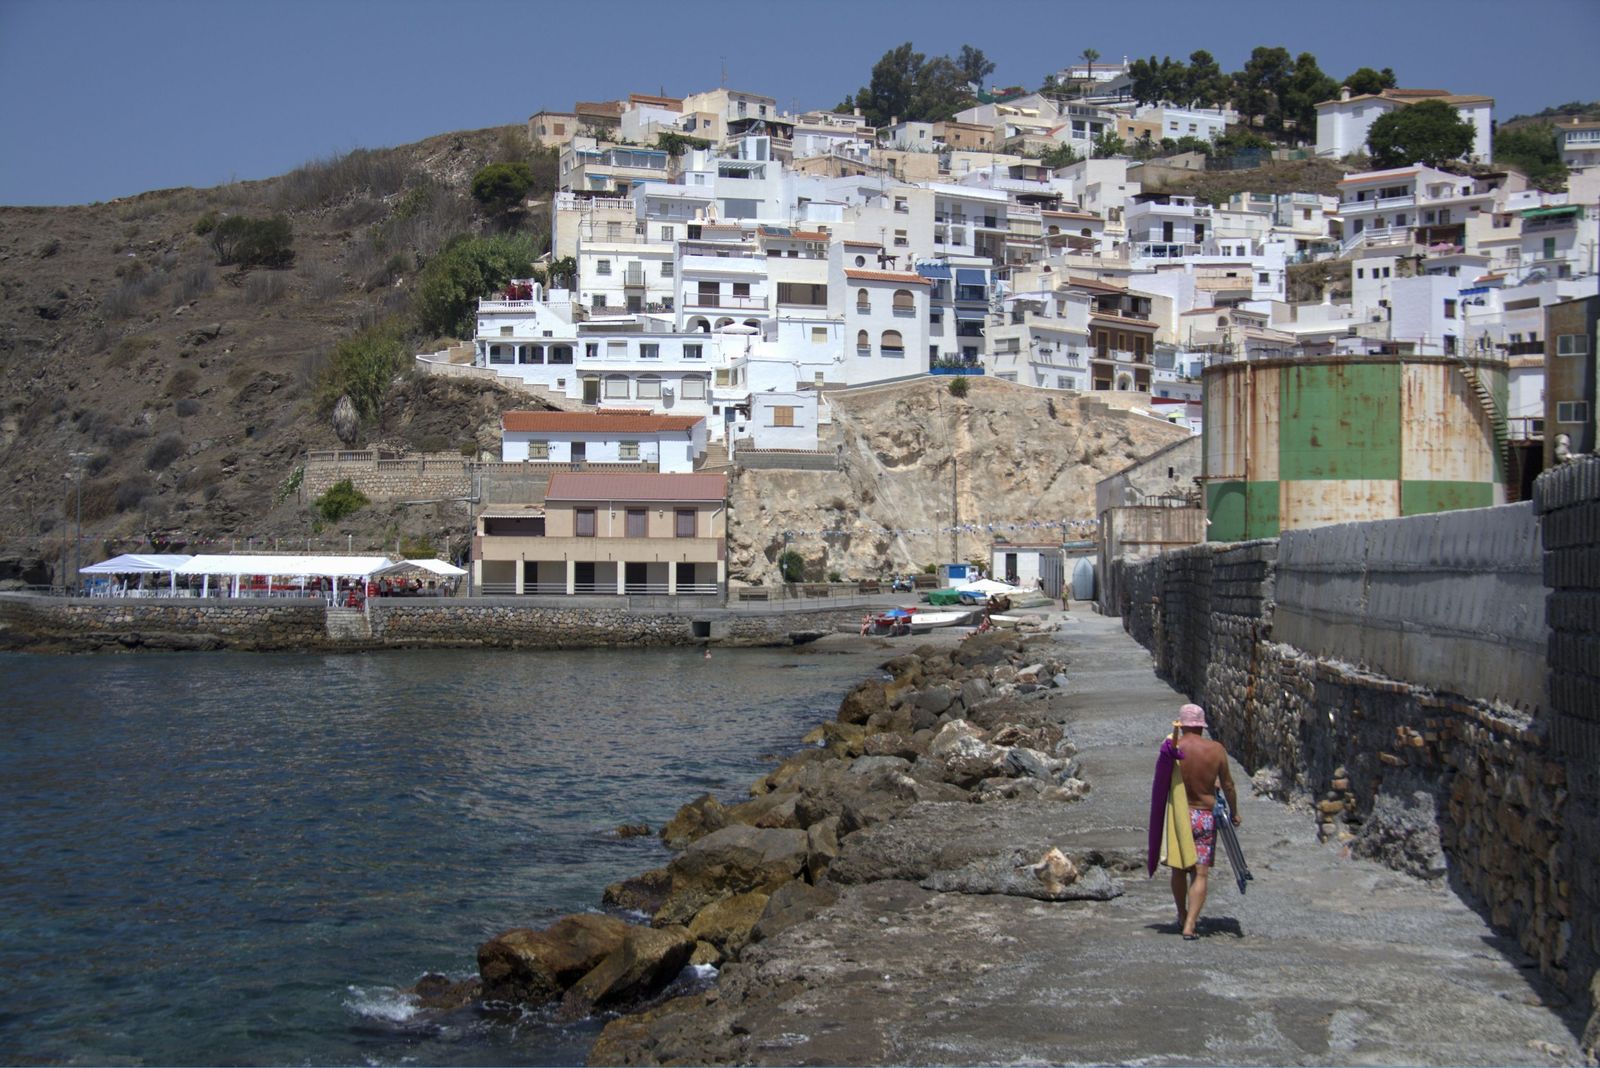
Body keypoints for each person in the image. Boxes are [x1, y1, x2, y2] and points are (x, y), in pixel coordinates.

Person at [1169, 703, 1239, 940]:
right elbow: (1228, 785)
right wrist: (1235, 811)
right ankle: (1190, 925)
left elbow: (1164, 783)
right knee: (1200, 873)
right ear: (1201, 726)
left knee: (1178, 869)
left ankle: (1181, 913)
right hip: (1204, 815)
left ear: (1181, 724)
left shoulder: (1172, 747)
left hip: (1180, 814)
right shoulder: (1216, 750)